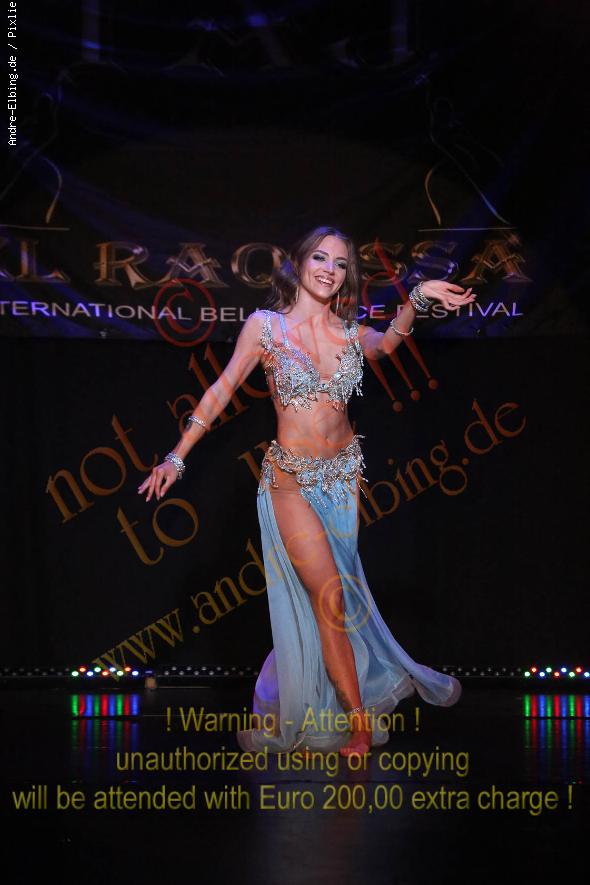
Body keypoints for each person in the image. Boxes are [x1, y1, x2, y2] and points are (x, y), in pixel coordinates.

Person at [137, 226, 476, 757]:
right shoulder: (265, 327)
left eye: (340, 264)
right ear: (297, 264)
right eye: (320, 258)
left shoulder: (349, 331)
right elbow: (221, 389)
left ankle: (328, 700)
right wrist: (177, 456)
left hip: (343, 480)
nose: (329, 270)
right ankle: (358, 725)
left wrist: (415, 299)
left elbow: (387, 345)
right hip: (289, 481)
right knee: (332, 597)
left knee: (337, 599)